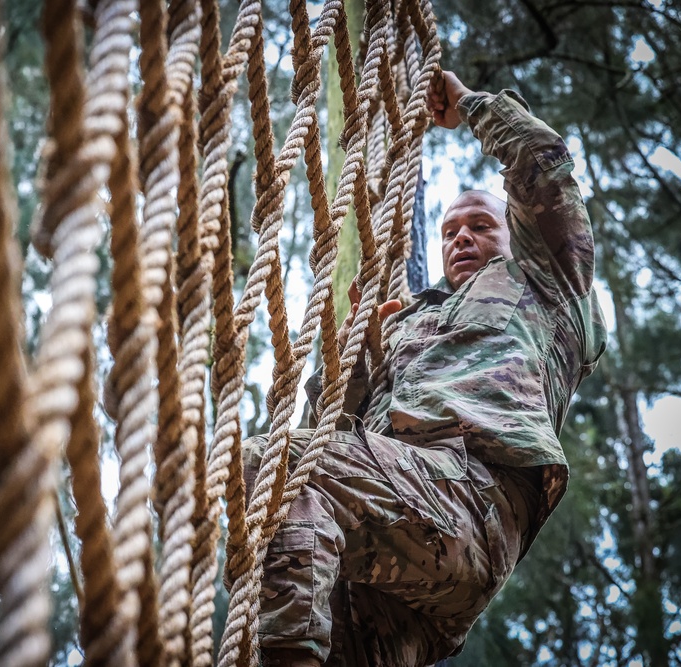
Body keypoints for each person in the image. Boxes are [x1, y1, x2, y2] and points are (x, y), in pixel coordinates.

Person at [243, 70, 608, 666]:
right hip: (387, 564)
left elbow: (542, 160)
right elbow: (327, 432)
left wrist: (466, 104)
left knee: (272, 466)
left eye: (481, 226)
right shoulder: (407, 322)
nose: (460, 238)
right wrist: (357, 356)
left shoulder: (549, 285)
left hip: (470, 501)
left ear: (518, 236)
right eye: (449, 232)